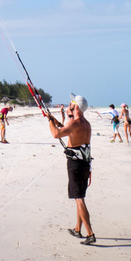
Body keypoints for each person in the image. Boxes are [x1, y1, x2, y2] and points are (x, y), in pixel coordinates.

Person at [48, 93, 95, 245]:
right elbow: (67, 129)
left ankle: (90, 234)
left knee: (79, 198)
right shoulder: (85, 123)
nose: (69, 104)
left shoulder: (75, 123)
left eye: (71, 103)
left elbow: (56, 134)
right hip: (84, 164)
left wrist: (50, 122)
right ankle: (77, 229)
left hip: (75, 165)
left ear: (76, 107)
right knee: (79, 196)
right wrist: (55, 120)